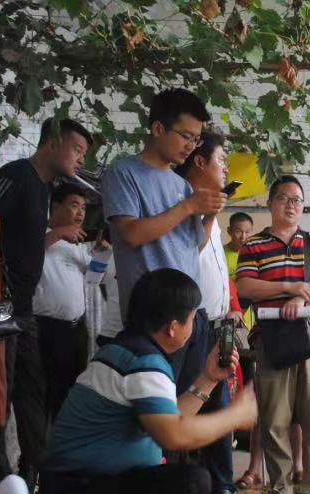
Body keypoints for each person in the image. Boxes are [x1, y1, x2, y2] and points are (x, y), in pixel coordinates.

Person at [39, 268, 257, 494]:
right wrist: (235, 416)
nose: (194, 328)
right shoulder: (144, 363)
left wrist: (209, 379)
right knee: (190, 485)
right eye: (192, 319)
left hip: (77, 486)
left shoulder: (126, 350)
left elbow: (169, 418)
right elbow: (174, 435)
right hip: (78, 491)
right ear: (173, 328)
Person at [101, 88, 226, 398]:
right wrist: (188, 207)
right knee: (156, 408)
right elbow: (131, 234)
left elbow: (193, 248)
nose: (191, 146)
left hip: (193, 312)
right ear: (158, 128)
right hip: (155, 318)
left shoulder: (181, 186)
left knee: (191, 403)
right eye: (186, 136)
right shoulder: (123, 173)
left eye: (196, 139)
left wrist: (209, 213)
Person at [0, 117, 93, 489]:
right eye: (76, 149)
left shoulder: (43, 188)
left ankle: (39, 474)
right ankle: (1, 483)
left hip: (24, 309)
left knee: (33, 392)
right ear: (52, 143)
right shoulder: (15, 176)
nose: (80, 159)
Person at [236, 175, 310, 494]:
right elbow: (245, 286)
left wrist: (306, 296)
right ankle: (281, 493)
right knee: (275, 420)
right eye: (283, 198)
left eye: (297, 199)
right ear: (270, 204)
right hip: (272, 342)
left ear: (303, 206)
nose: (291, 205)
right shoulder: (254, 245)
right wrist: (289, 288)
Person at [176, 131, 244, 494]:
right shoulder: (180, 200)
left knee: (218, 406)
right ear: (199, 161)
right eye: (222, 160)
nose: (226, 169)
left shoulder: (210, 206)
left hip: (218, 322)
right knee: (192, 403)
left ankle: (222, 490)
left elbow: (218, 268)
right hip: (191, 323)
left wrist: (231, 307)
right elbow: (190, 252)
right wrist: (210, 214)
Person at [33, 183, 103, 425]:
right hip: (44, 329)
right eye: (74, 205)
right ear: (55, 206)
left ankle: (60, 442)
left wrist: (101, 254)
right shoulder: (38, 234)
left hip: (75, 331)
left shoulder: (77, 244)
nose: (81, 213)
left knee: (69, 392)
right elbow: (23, 254)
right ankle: (36, 447)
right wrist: (58, 233)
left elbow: (94, 279)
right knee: (41, 393)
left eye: (84, 208)